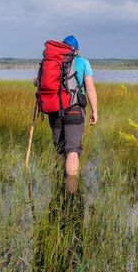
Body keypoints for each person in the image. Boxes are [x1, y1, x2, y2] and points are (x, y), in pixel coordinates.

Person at [41, 35, 98, 191]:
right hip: (74, 109)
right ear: (77, 50)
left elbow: (41, 83)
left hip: (54, 110)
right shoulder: (83, 62)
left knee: (60, 149)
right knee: (72, 151)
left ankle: (60, 188)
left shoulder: (53, 61)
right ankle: (71, 192)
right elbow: (90, 88)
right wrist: (95, 110)